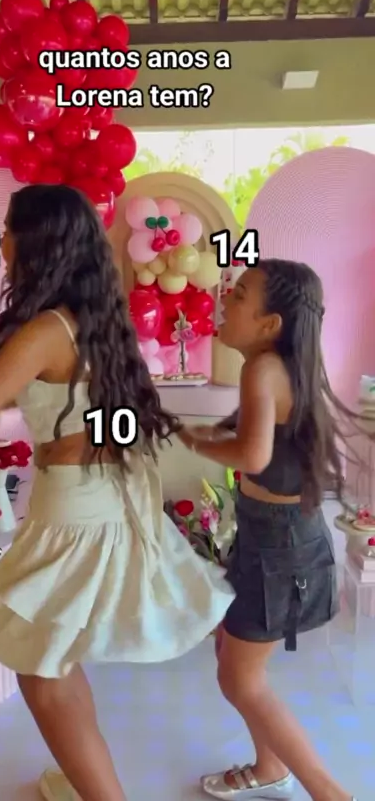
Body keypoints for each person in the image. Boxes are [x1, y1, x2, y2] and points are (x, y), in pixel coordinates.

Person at [0, 184, 234, 801]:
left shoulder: (48, 328)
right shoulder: (95, 320)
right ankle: (86, 782)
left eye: (8, 231)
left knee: (41, 668)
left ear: (38, 243)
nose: (1, 243)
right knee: (52, 658)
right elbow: (120, 417)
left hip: (76, 508)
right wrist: (78, 438)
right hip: (95, 498)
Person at [177, 259, 358, 801]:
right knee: (230, 656)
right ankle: (269, 767)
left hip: (279, 545)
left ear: (269, 323)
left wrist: (194, 441)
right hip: (278, 537)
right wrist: (201, 432)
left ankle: (330, 794)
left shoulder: (262, 370)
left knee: (239, 679)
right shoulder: (283, 367)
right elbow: (261, 443)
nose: (223, 301)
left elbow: (252, 457)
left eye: (239, 296)